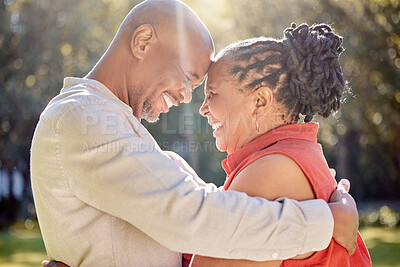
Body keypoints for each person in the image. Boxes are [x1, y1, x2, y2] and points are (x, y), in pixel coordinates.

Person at [31, 1, 359, 266]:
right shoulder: (83, 116)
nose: (188, 98)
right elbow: (189, 217)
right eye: (188, 78)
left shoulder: (112, 125)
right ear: (142, 41)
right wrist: (324, 223)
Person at [189, 23, 371, 266]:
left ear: (260, 100)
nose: (203, 109)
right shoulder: (293, 155)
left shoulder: (270, 171)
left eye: (212, 94)